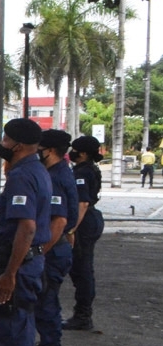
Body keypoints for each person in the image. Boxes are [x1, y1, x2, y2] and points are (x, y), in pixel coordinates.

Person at [0, 118, 53, 346]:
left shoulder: (22, 176)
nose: (2, 144)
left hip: (21, 264)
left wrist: (10, 273)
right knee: (20, 320)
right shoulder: (37, 170)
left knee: (13, 327)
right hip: (30, 260)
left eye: (6, 139)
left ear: (20, 145)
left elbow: (27, 228)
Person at [34, 130, 77, 346]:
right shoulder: (55, 171)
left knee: (46, 302)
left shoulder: (56, 177)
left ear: (50, 150)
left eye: (39, 148)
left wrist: (40, 252)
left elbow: (59, 221)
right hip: (56, 248)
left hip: (51, 250)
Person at [64, 135, 103, 331]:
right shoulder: (87, 169)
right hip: (90, 220)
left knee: (82, 269)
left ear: (84, 153)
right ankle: (82, 313)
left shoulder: (82, 172)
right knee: (82, 269)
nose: (72, 153)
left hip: (84, 222)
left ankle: (83, 315)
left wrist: (71, 228)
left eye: (76, 150)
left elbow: (82, 203)